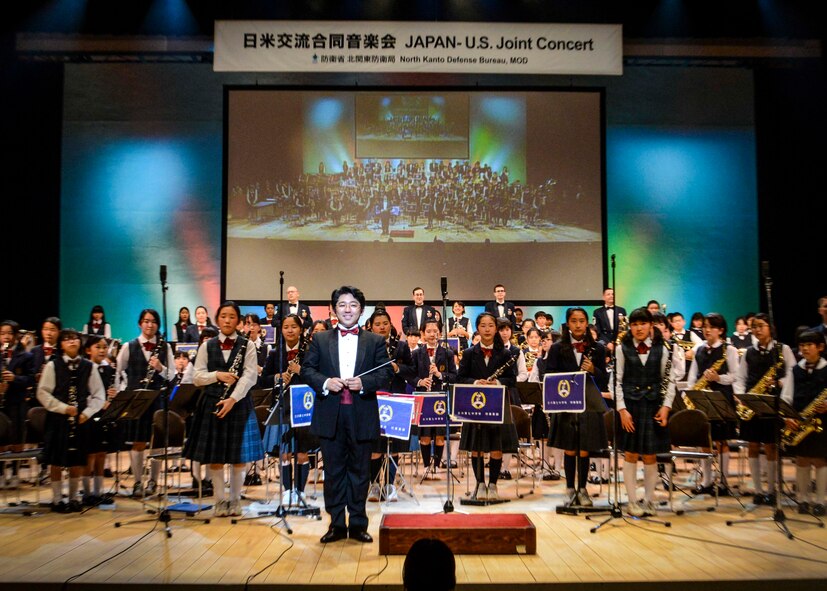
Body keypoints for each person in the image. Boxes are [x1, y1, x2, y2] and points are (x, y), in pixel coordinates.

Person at [302, 285, 393, 543]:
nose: (347, 309)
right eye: (342, 304)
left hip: (361, 413)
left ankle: (358, 523)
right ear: (333, 309)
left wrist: (364, 384)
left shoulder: (374, 340)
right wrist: (325, 382)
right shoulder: (320, 339)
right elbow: (307, 370)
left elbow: (385, 373)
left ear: (361, 310)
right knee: (333, 472)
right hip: (330, 414)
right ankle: (336, 525)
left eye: (353, 305)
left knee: (360, 471)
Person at [183, 301, 263, 517]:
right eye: (223, 316)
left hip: (238, 405)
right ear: (217, 319)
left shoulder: (248, 345)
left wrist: (233, 399)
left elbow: (250, 376)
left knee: (239, 457)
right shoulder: (206, 346)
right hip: (212, 404)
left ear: (238, 321)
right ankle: (219, 501)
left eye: (232, 317)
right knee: (215, 457)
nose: (227, 320)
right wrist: (217, 375)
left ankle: (235, 500)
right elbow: (197, 377)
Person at [614, 308, 680, 517]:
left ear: (651, 325)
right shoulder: (621, 348)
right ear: (630, 327)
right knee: (631, 454)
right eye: (634, 324)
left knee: (651, 455)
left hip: (654, 407)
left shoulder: (663, 348)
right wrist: (622, 410)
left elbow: (669, 380)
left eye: (643, 323)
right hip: (631, 408)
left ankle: (649, 500)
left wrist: (666, 407)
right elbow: (616, 381)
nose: (638, 328)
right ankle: (632, 501)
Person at [36, 328, 105, 512]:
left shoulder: (89, 367)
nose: (72, 342)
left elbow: (99, 395)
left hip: (80, 419)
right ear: (61, 344)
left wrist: (87, 413)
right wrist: (63, 408)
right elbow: (42, 393)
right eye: (67, 339)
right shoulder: (53, 365)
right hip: (58, 419)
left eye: (75, 338)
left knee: (77, 460)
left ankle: (74, 498)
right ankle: (57, 499)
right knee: (56, 461)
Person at [546, 307, 609, 507]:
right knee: (570, 449)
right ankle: (570, 488)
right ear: (568, 323)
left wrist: (593, 370)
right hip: (565, 403)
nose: (578, 325)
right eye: (574, 321)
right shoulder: (557, 348)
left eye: (582, 321)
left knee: (584, 448)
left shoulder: (598, 348)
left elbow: (604, 378)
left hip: (588, 403)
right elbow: (549, 373)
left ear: (587, 322)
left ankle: (583, 488)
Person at [733, 313, 796, 504]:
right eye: (754, 327)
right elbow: (741, 377)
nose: (757, 330)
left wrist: (778, 381)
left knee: (770, 446)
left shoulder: (782, 349)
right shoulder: (749, 352)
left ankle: (772, 489)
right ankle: (758, 490)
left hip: (773, 403)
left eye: (761, 326)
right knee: (752, 444)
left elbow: (793, 373)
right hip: (752, 402)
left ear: (770, 327)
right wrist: (741, 397)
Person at [457, 312, 517, 502]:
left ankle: (493, 484)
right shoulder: (468, 353)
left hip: (497, 405)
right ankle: (480, 484)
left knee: (496, 447)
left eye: (491, 325)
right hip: (475, 406)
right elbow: (461, 378)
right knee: (477, 448)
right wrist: (475, 383)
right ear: (478, 328)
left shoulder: (506, 354)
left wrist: (497, 382)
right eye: (483, 325)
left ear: (496, 328)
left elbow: (512, 379)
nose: (487, 329)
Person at [115, 308, 175, 497]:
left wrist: (160, 368)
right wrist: (124, 390)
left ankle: (154, 482)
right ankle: (138, 482)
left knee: (157, 442)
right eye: (146, 321)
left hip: (158, 399)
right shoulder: (128, 346)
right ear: (140, 324)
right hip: (137, 400)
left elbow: (172, 375)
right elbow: (118, 371)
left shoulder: (165, 347)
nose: (150, 325)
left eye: (153, 322)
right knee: (138, 442)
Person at [686, 312, 741, 495]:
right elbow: (693, 375)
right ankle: (707, 481)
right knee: (705, 441)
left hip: (721, 397)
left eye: (711, 327)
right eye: (705, 327)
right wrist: (692, 392)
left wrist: (719, 377)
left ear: (721, 330)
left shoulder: (729, 350)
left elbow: (735, 375)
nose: (706, 330)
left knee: (722, 440)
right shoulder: (700, 349)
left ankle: (724, 482)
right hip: (702, 398)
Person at [781, 330, 827, 515]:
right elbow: (786, 396)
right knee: (802, 460)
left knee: (820, 460)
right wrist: (787, 417)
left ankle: (820, 501)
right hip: (799, 420)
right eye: (802, 346)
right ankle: (802, 499)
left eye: (809, 345)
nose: (805, 349)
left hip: (822, 420)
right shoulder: (796, 369)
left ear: (820, 347)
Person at [405, 318, 457, 481]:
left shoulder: (447, 353)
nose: (432, 334)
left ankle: (436, 466)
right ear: (422, 334)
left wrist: (439, 375)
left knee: (440, 436)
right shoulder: (416, 353)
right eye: (429, 331)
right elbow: (410, 374)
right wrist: (420, 381)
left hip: (440, 398)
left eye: (435, 331)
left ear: (440, 333)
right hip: (423, 397)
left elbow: (454, 376)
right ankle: (427, 466)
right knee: (425, 436)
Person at [82, 334, 118, 506]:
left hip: (104, 416)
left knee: (101, 453)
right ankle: (87, 493)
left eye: (104, 347)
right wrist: (98, 403)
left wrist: (114, 396)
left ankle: (98, 491)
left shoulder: (109, 369)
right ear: (88, 350)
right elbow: (83, 394)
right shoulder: (85, 369)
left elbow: (115, 388)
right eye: (98, 347)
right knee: (89, 454)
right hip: (89, 415)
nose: (102, 350)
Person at [0, 320, 36, 489]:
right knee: (1, 438)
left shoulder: (26, 356)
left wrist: (15, 379)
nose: (5, 336)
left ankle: (14, 473)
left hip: (17, 401)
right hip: (2, 401)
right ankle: (1, 474)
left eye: (9, 333)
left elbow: (31, 379)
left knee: (16, 437)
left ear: (15, 335)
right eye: (2, 333)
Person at [592, 288, 626, 353]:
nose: (611, 296)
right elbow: (597, 330)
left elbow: (624, 329)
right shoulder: (597, 312)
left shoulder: (622, 310)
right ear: (603, 297)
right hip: (603, 343)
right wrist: (607, 343)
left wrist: (617, 342)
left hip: (619, 343)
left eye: (613, 294)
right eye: (608, 294)